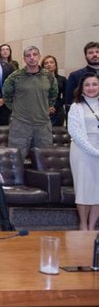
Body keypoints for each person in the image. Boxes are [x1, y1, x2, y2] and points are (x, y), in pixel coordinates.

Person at [2, 46, 57, 160]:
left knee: (44, 160)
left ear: (39, 56)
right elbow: (6, 96)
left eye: (34, 54)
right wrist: (17, 109)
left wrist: (44, 108)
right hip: (20, 124)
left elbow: (53, 95)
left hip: (43, 125)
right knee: (16, 159)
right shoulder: (15, 77)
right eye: (28, 56)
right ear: (24, 59)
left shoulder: (49, 76)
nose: (32, 58)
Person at [67, 73, 99, 230]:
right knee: (84, 188)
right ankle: (83, 225)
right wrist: (94, 151)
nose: (91, 88)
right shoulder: (76, 107)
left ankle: (92, 227)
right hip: (82, 151)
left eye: (94, 84)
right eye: (87, 85)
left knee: (97, 189)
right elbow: (76, 133)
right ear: (81, 88)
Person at [42, 55, 67, 127]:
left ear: (55, 65)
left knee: (56, 136)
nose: (49, 64)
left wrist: (54, 107)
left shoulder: (62, 79)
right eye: (46, 63)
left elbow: (66, 96)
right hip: (41, 111)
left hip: (57, 111)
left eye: (51, 62)